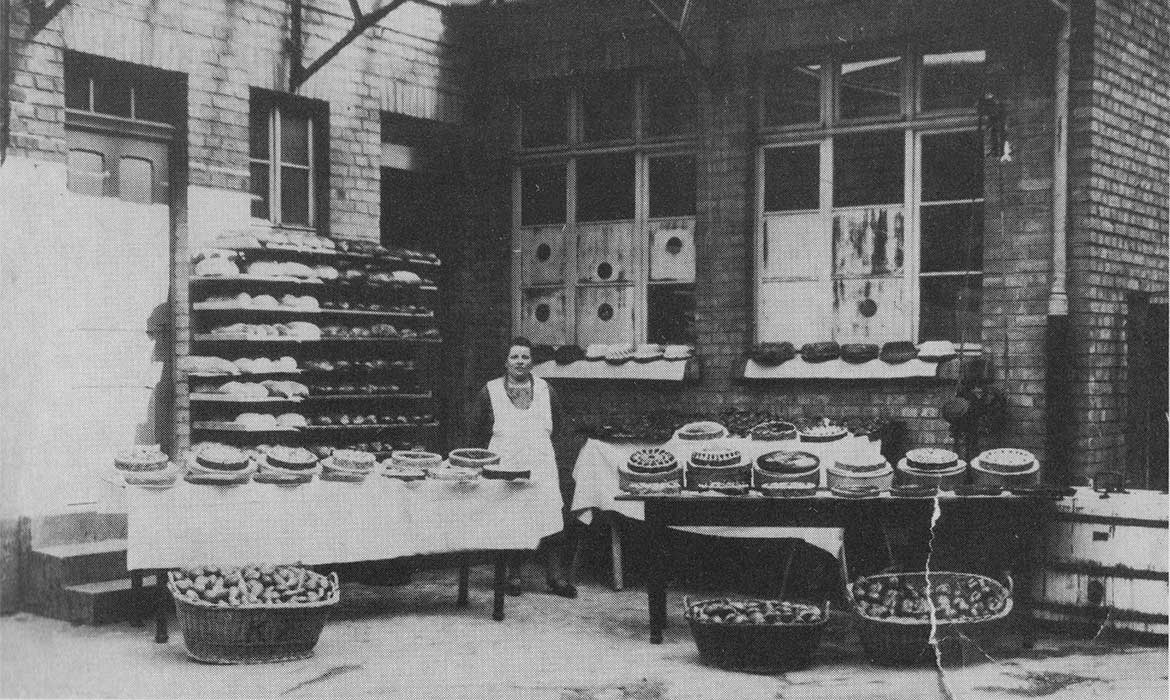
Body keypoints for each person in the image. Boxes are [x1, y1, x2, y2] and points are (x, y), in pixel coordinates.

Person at [469, 337, 577, 598]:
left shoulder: (546, 390)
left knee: (550, 517)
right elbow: (476, 430)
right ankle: (513, 575)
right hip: (506, 463)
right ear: (506, 362)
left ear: (532, 362)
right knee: (512, 518)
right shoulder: (490, 390)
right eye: (514, 357)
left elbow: (560, 428)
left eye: (525, 357)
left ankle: (555, 577)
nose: (520, 361)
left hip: (541, 463)